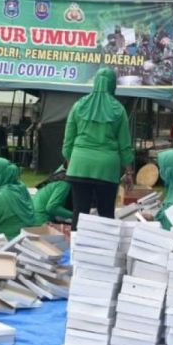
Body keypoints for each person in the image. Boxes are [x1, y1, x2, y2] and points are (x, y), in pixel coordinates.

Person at [63, 68, 134, 228]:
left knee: (79, 213)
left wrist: (70, 160)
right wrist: (128, 172)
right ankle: (105, 250)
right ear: (113, 84)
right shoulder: (118, 110)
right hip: (107, 168)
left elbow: (68, 140)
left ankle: (76, 249)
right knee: (106, 214)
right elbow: (125, 145)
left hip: (79, 165)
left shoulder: (78, 106)